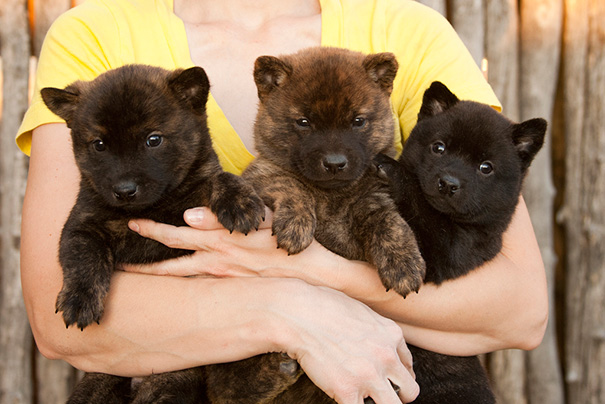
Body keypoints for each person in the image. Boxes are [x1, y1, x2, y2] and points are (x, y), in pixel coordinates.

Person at [17, 0, 548, 403]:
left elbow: (519, 312)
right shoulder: (95, 32)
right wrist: (288, 311)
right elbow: (59, 320)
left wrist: (325, 279)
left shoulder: (406, 29)